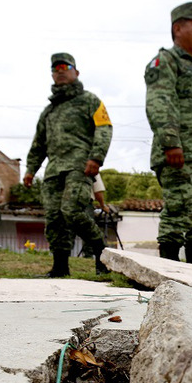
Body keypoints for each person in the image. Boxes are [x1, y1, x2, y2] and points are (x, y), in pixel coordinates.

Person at [145, 1, 192, 264]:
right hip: (180, 153)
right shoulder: (165, 60)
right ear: (178, 28)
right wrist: (170, 142)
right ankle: (167, 273)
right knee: (179, 212)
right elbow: (160, 101)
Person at [24, 53, 113, 277]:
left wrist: (96, 158)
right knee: (54, 218)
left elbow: (104, 128)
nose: (60, 71)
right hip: (54, 170)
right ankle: (60, 267)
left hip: (79, 166)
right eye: (55, 69)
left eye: (65, 66)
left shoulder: (90, 100)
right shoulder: (49, 111)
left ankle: (101, 253)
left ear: (76, 71)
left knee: (72, 211)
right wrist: (30, 170)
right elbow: (39, 143)